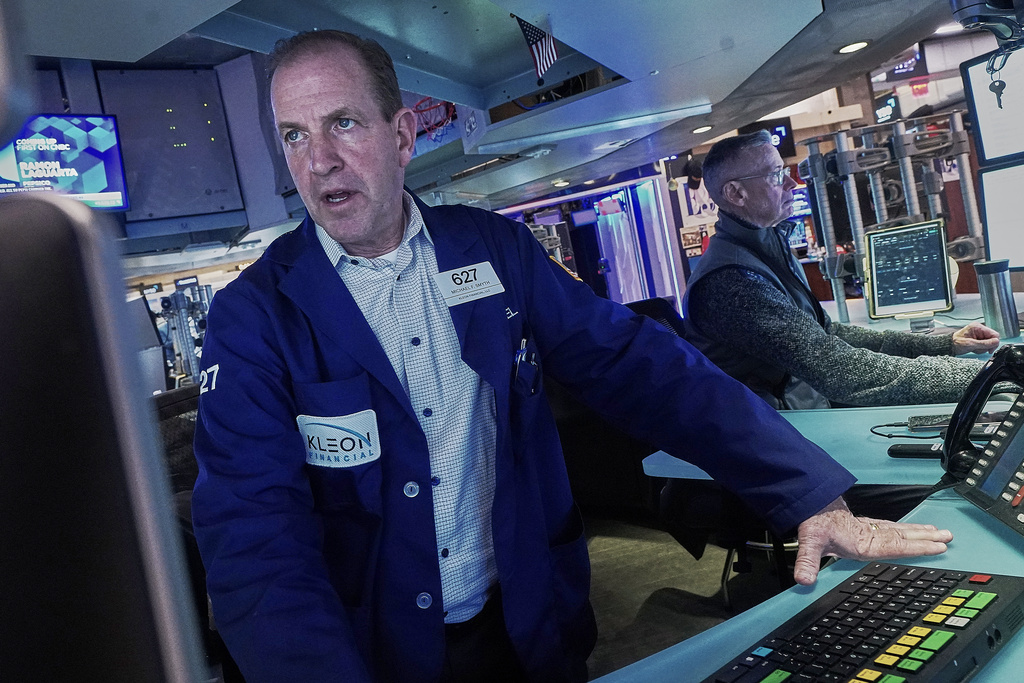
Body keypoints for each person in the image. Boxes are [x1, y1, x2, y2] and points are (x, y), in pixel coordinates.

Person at [190, 31, 951, 683]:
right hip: (371, 654)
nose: (317, 160)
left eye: (343, 123)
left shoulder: (492, 250)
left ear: (401, 135)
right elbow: (257, 543)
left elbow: (644, 366)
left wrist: (808, 493)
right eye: (293, 134)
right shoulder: (253, 316)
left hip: (527, 631)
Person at [682, 129, 1000, 411]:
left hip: (807, 413)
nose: (793, 183)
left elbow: (828, 335)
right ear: (736, 193)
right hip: (778, 438)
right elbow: (837, 370)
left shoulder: (767, 245)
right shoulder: (732, 281)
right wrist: (993, 374)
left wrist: (944, 345)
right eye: (777, 175)